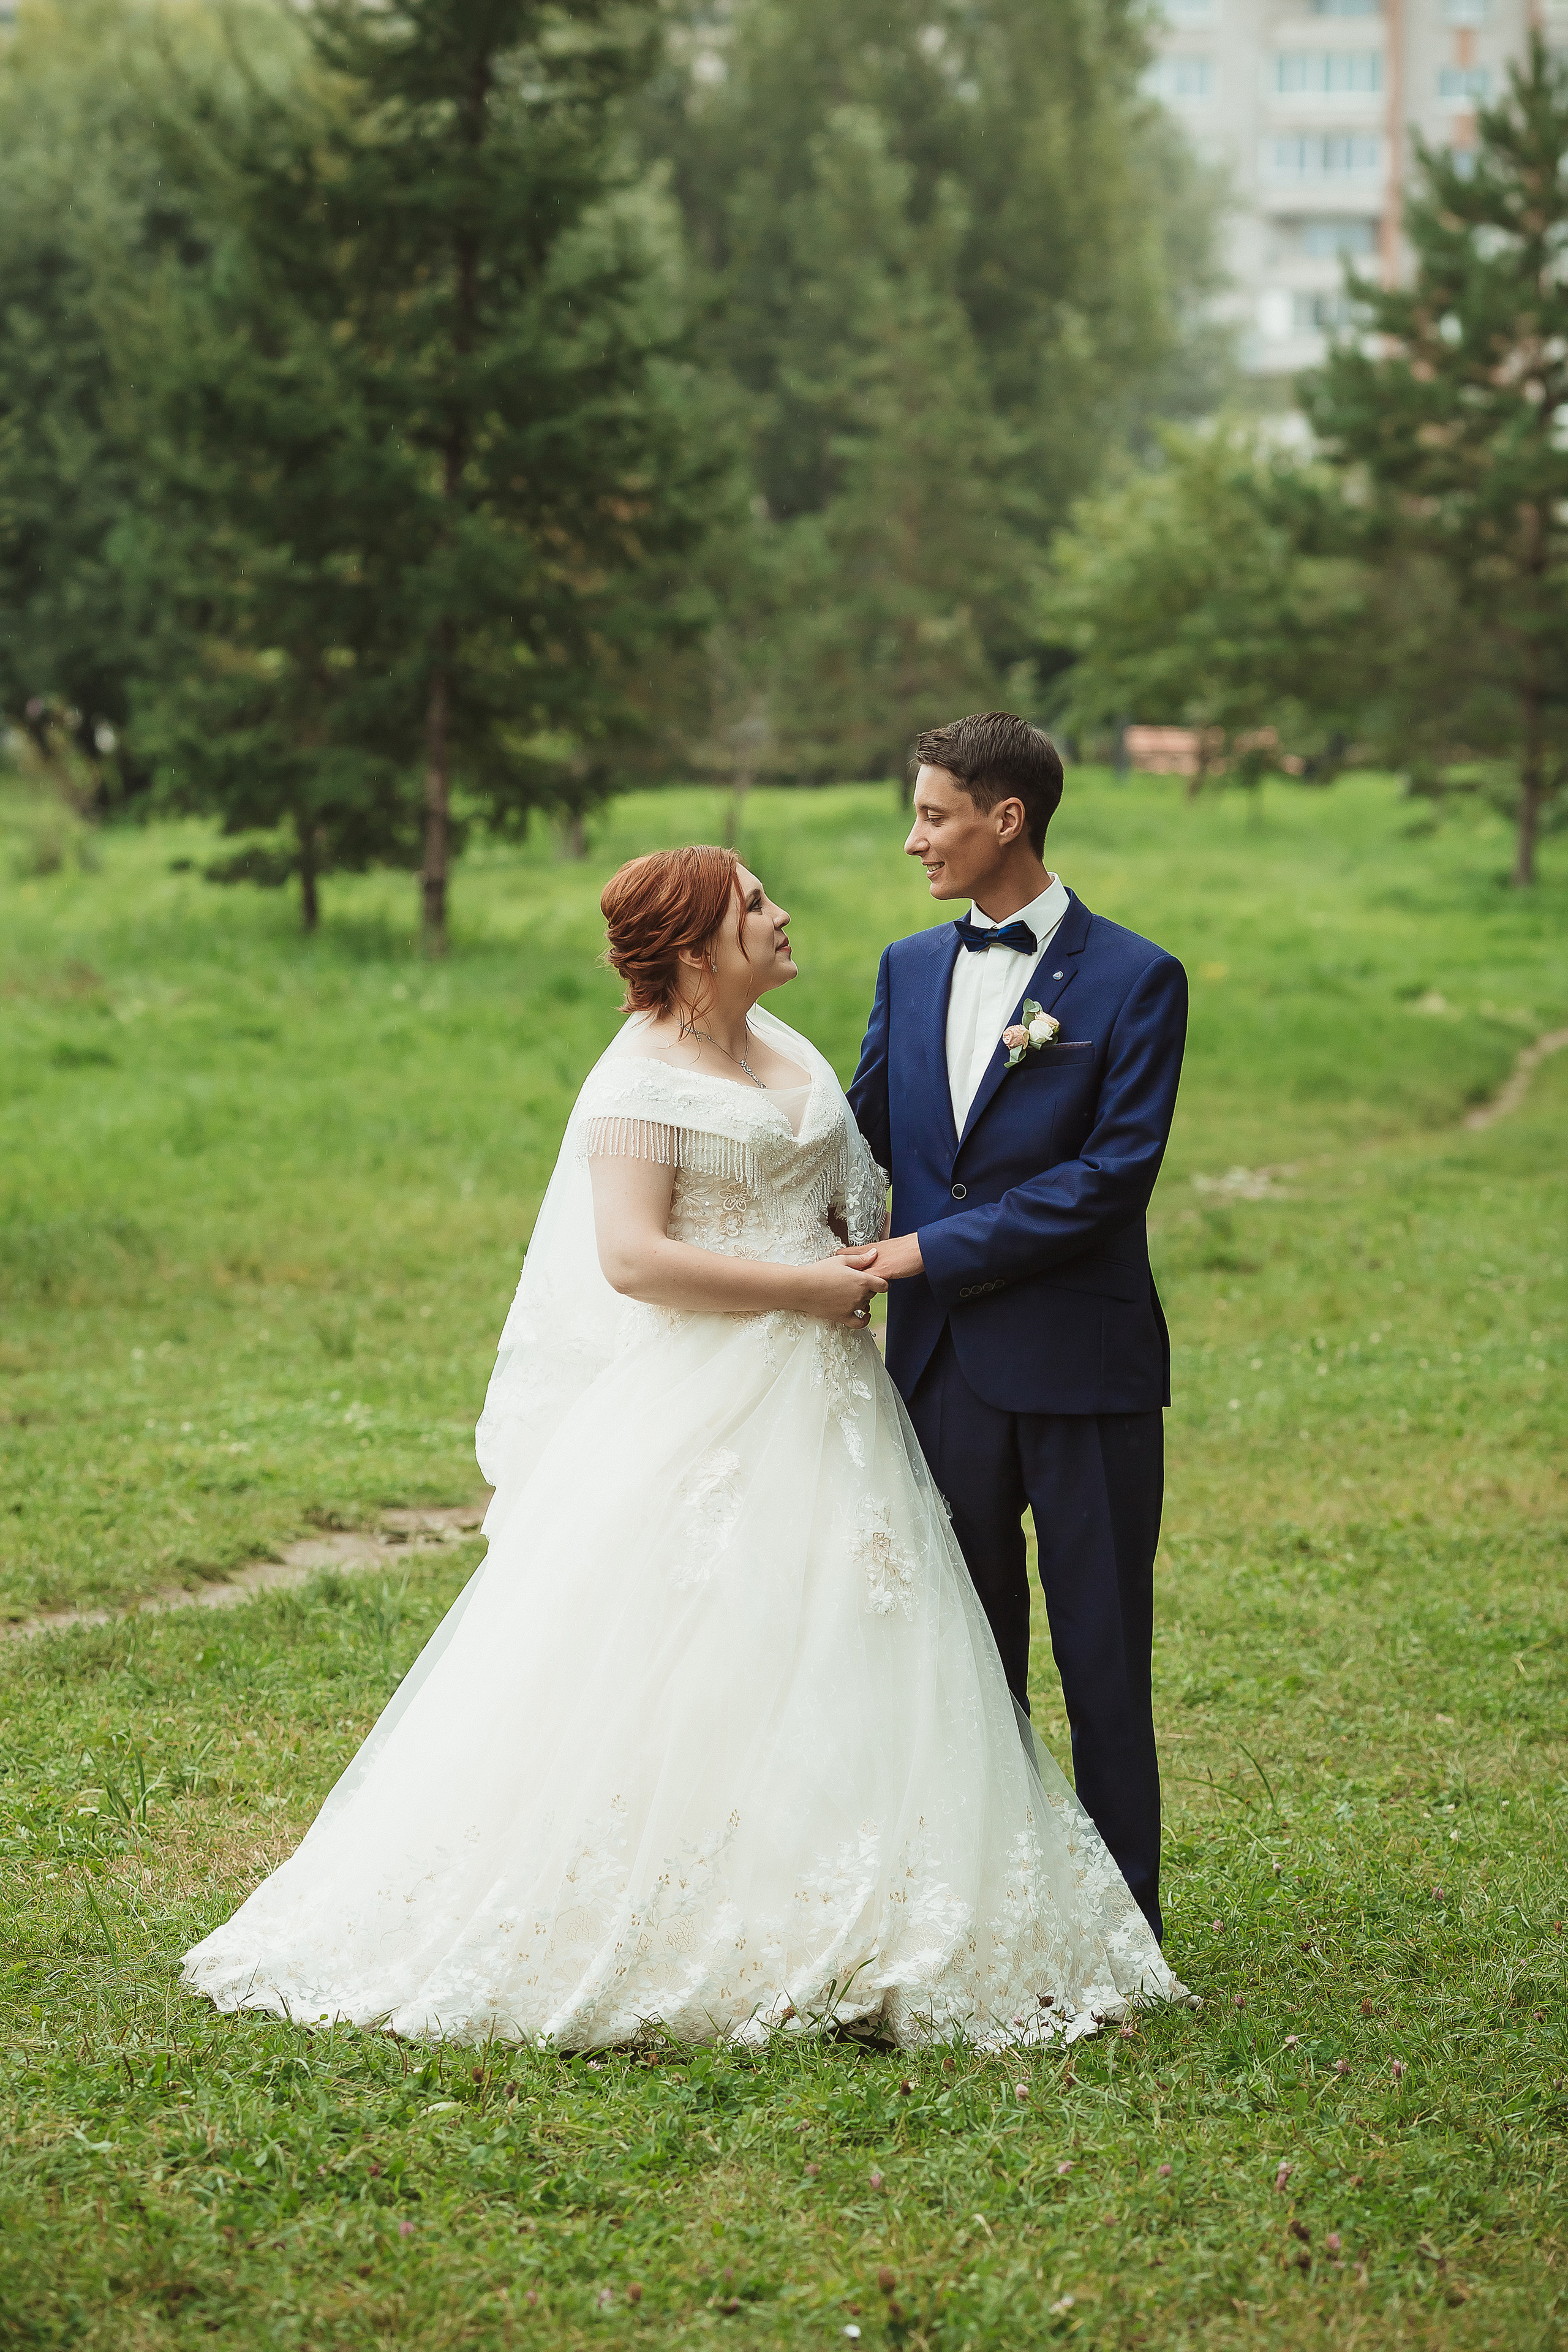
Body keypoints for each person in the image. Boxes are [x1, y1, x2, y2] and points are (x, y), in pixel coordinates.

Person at [181, 845, 1186, 2049]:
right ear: (696, 944)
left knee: (860, 1647)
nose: (779, 912)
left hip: (839, 1401)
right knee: (709, 1643)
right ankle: (704, 1908)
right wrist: (798, 1289)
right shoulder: (634, 1083)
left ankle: (895, 1894)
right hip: (714, 1394)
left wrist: (896, 1262)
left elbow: (873, 1189)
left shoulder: (794, 1052)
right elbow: (631, 1262)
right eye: (753, 904)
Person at [843, 714, 1187, 1943]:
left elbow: (1109, 1176)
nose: (912, 839)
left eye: (931, 815)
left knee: (1102, 1665)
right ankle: (980, 1913)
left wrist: (928, 1250)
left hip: (1083, 1371)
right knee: (964, 1669)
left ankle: (1121, 1929)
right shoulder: (904, 966)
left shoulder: (1134, 978)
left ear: (1005, 819)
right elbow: (860, 1137)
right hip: (939, 1374)